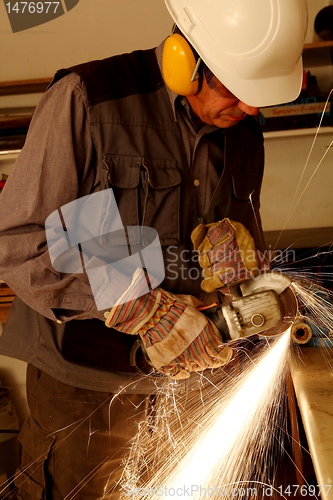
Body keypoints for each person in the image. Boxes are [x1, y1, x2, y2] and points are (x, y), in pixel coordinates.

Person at [0, 0, 307, 498]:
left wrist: (244, 275)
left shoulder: (242, 126)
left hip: (192, 388)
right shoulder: (88, 100)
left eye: (258, 97)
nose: (251, 109)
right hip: (89, 392)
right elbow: (22, 240)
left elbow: (234, 229)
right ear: (185, 59)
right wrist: (141, 306)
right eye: (237, 88)